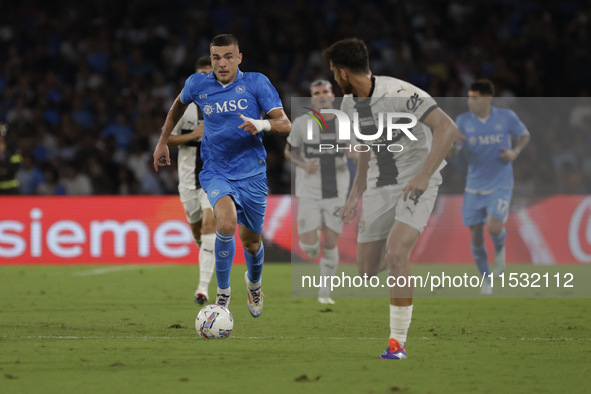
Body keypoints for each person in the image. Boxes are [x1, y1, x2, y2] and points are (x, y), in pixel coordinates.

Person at [323, 38, 457, 359]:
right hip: (379, 187)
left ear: (343, 72)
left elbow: (447, 128)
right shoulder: (348, 106)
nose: (333, 80)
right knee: (367, 271)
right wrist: (355, 194)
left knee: (396, 254)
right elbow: (367, 150)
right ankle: (402, 251)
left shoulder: (400, 94)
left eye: (333, 73)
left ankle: (397, 343)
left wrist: (424, 174)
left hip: (417, 180)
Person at [153, 34, 291, 318]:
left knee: (251, 242)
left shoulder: (256, 82)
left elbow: (285, 124)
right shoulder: (197, 84)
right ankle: (223, 297)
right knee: (225, 224)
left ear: (239, 57)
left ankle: (254, 284)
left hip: (252, 173)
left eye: (228, 56)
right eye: (216, 57)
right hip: (216, 170)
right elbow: (177, 106)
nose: (222, 63)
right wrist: (162, 140)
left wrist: (261, 123)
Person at [451, 79, 530, 294]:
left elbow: (524, 135)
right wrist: (452, 145)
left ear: (487, 99)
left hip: (501, 183)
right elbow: (454, 153)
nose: (469, 102)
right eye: (468, 98)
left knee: (494, 227)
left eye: (474, 98)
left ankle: (500, 250)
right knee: (476, 237)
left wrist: (515, 152)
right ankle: (486, 280)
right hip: (474, 186)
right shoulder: (462, 120)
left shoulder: (506, 117)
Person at [285, 79, 353, 305]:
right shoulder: (302, 123)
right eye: (317, 92)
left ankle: (325, 292)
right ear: (312, 98)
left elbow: (360, 149)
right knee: (309, 244)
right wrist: (303, 164)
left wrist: (355, 151)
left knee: (331, 242)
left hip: (336, 191)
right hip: (309, 191)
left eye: (326, 91)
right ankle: (311, 250)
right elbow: (288, 151)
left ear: (333, 96)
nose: (322, 95)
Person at [166, 56, 216, 305]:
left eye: (210, 74)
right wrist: (193, 135)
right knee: (199, 233)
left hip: (214, 178)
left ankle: (202, 288)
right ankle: (208, 255)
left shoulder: (224, 106)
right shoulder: (184, 107)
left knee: (210, 227)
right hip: (187, 180)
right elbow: (167, 139)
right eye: (201, 75)